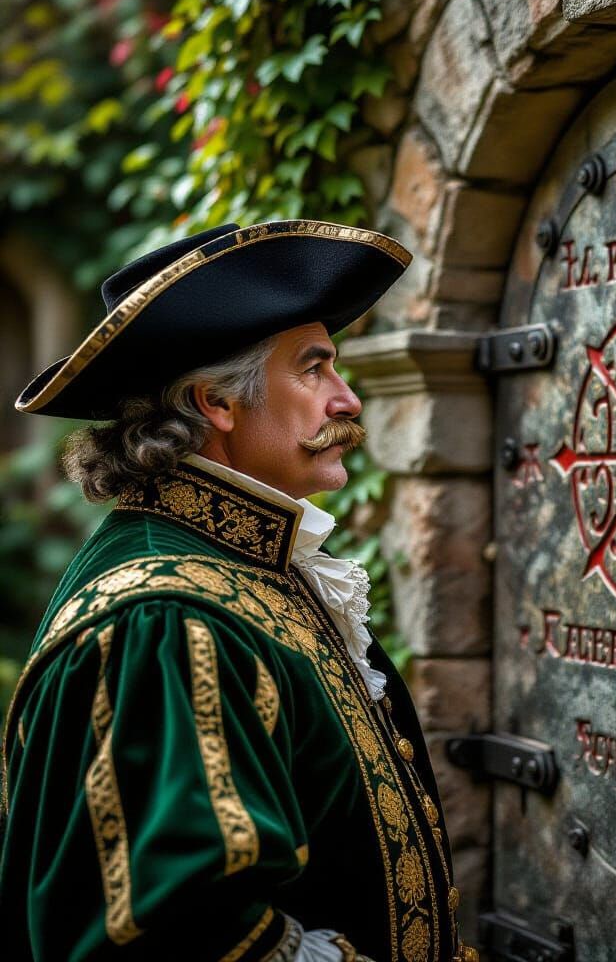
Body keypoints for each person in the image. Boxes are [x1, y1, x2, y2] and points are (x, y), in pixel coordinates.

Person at [0, 220, 477, 962]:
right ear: (217, 405)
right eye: (314, 369)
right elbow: (183, 932)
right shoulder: (169, 617)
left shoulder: (239, 564)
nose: (347, 400)